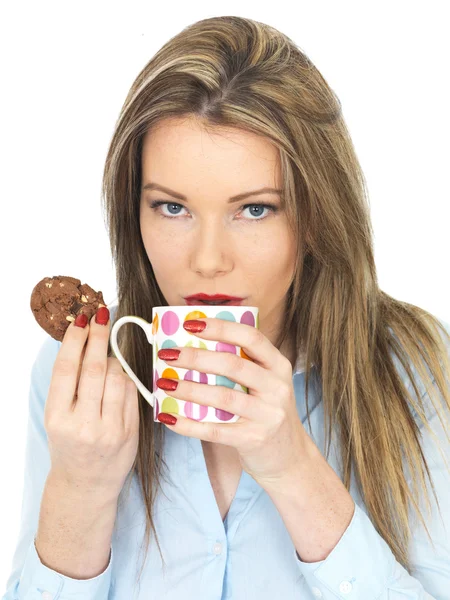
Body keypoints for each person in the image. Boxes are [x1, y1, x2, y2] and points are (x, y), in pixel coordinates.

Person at [3, 15, 450, 600]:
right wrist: (79, 491)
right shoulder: (82, 375)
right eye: (172, 208)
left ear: (316, 215)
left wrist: (293, 469)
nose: (208, 261)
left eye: (255, 210)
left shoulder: (410, 367)